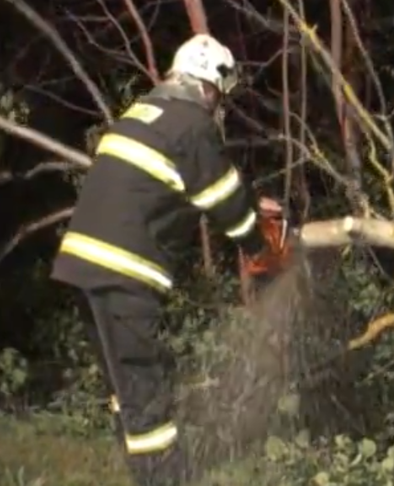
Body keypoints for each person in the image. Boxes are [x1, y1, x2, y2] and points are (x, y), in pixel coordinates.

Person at [51, 33, 280, 486]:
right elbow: (224, 202)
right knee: (146, 391)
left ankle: (143, 470)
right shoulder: (192, 124)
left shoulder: (140, 117)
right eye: (219, 94)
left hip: (80, 268)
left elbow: (192, 184)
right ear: (207, 85)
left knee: (126, 386)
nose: (219, 104)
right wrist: (261, 247)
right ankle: (165, 480)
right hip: (125, 273)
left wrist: (251, 203)